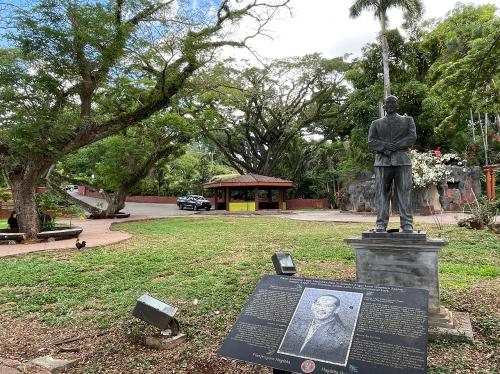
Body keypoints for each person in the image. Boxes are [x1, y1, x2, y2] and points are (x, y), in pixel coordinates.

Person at [368, 95, 416, 233]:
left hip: (402, 161)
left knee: (404, 192)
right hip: (382, 163)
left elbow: (412, 137)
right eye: (387, 103)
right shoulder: (376, 123)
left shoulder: (407, 120)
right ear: (384, 106)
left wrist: (397, 145)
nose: (390, 105)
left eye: (393, 103)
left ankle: (407, 224)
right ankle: (381, 224)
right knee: (382, 193)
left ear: (397, 105)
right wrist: (385, 147)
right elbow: (371, 141)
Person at [278, 295, 351, 365]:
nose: (321, 309)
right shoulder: (296, 325)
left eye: (328, 306)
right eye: (318, 304)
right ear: (313, 306)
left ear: (337, 310)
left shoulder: (343, 335)